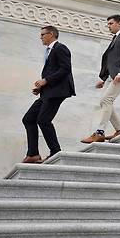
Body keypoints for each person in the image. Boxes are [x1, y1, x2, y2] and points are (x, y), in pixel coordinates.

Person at [21, 26, 75, 163]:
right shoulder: (50, 51)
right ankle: (33, 153)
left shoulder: (60, 48)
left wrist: (46, 80)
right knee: (28, 119)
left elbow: (65, 69)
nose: (41, 37)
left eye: (43, 34)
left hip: (57, 92)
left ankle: (56, 152)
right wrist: (41, 87)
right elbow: (54, 71)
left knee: (43, 120)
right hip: (48, 92)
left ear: (51, 34)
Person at [81, 15, 120, 143]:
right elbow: (112, 60)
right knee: (104, 102)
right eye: (108, 24)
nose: (108, 26)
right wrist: (105, 79)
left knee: (106, 100)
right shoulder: (116, 38)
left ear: (119, 24)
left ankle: (100, 132)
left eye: (111, 23)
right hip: (112, 76)